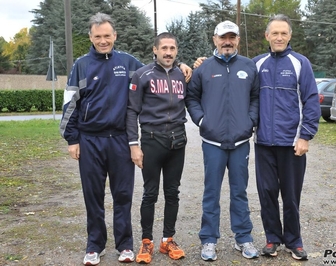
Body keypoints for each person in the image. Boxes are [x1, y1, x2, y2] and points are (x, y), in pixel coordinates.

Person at [59, 13, 191, 265]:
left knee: (123, 196)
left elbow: (158, 68)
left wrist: (180, 65)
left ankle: (125, 245)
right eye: (98, 36)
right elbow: (70, 104)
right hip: (90, 140)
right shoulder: (82, 65)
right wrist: (71, 139)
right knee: (93, 196)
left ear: (114, 36)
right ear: (91, 37)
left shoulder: (129, 63)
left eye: (107, 35)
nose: (103, 40)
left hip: (120, 140)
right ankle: (94, 246)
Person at [185, 20, 260, 261]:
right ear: (215, 39)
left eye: (232, 37)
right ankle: (208, 240)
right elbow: (192, 98)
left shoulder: (249, 67)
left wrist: (250, 120)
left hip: (240, 142)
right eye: (222, 37)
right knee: (211, 192)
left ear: (237, 39)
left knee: (240, 192)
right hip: (212, 142)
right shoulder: (203, 68)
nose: (227, 42)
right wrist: (202, 120)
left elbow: (256, 97)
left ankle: (243, 238)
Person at [252, 14, 320, 261]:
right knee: (267, 192)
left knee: (291, 196)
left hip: (292, 144)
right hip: (263, 144)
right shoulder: (257, 64)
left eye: (284, 33)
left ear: (290, 36)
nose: (279, 37)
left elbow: (311, 100)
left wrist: (305, 136)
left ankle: (294, 240)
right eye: (275, 33)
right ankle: (272, 239)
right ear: (267, 36)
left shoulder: (300, 63)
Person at [126, 32, 187, 264]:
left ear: (176, 51)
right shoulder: (142, 75)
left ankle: (167, 239)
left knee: (173, 193)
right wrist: (134, 145)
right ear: (155, 50)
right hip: (152, 140)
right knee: (150, 193)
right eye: (164, 48)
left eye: (172, 48)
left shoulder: (183, 74)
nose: (168, 52)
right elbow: (131, 111)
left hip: (178, 141)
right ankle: (147, 241)